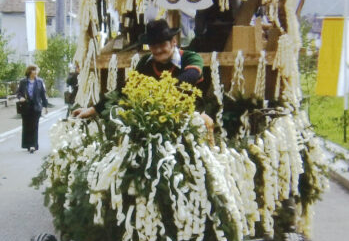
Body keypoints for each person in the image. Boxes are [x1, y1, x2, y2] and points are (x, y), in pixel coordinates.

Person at [72, 19, 212, 127]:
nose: (157, 50)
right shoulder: (145, 63)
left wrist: (155, 90)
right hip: (153, 118)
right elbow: (124, 90)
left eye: (162, 45)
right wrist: (94, 109)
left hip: (190, 115)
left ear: (173, 42)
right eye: (153, 46)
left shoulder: (190, 57)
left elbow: (189, 77)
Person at [17, 65, 48, 153]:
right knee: (26, 126)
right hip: (26, 107)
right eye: (34, 70)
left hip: (36, 106)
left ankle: (33, 145)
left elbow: (43, 94)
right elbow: (18, 93)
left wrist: (45, 106)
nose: (35, 72)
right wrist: (20, 98)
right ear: (29, 71)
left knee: (34, 126)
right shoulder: (23, 82)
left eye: (36, 70)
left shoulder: (40, 81)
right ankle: (27, 144)